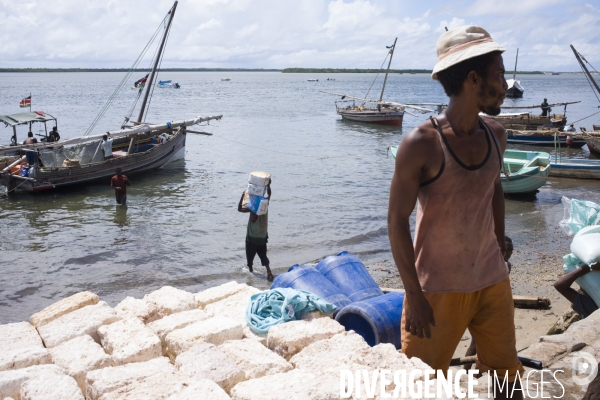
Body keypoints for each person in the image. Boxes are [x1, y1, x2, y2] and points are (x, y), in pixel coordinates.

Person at [388, 25, 523, 399]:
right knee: (422, 386)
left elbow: (493, 186)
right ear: (474, 78)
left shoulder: (496, 134)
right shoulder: (422, 144)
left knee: (507, 379)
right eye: (498, 74)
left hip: (491, 280)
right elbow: (397, 222)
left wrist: (499, 237)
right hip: (436, 291)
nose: (505, 84)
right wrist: (413, 295)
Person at [238, 180, 274, 281]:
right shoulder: (264, 206)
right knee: (263, 256)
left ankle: (251, 272)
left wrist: (242, 196)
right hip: (262, 237)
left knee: (250, 256)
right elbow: (269, 195)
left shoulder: (252, 209)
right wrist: (269, 185)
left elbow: (239, 209)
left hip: (252, 238)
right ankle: (269, 271)